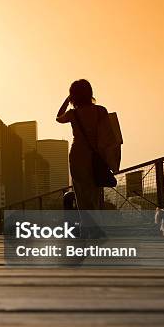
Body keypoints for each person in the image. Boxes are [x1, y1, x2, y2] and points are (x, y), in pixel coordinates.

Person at [56, 79, 108, 238]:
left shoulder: (73, 113)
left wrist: (67, 99)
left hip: (78, 155)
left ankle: (89, 229)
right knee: (94, 194)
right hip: (96, 156)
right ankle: (95, 228)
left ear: (74, 96)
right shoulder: (101, 111)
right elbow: (108, 135)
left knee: (80, 194)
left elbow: (58, 117)